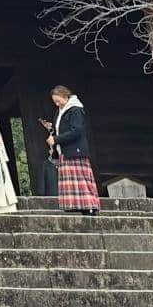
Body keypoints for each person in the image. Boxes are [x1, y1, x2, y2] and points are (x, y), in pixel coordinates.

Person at [44, 84, 101, 215]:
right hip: (65, 151)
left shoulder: (75, 109)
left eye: (58, 100)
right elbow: (64, 128)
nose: (57, 104)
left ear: (65, 96)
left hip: (75, 151)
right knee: (73, 182)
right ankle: (79, 205)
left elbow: (77, 131)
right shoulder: (60, 111)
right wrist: (52, 128)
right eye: (55, 102)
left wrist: (56, 139)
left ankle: (90, 206)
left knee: (81, 181)